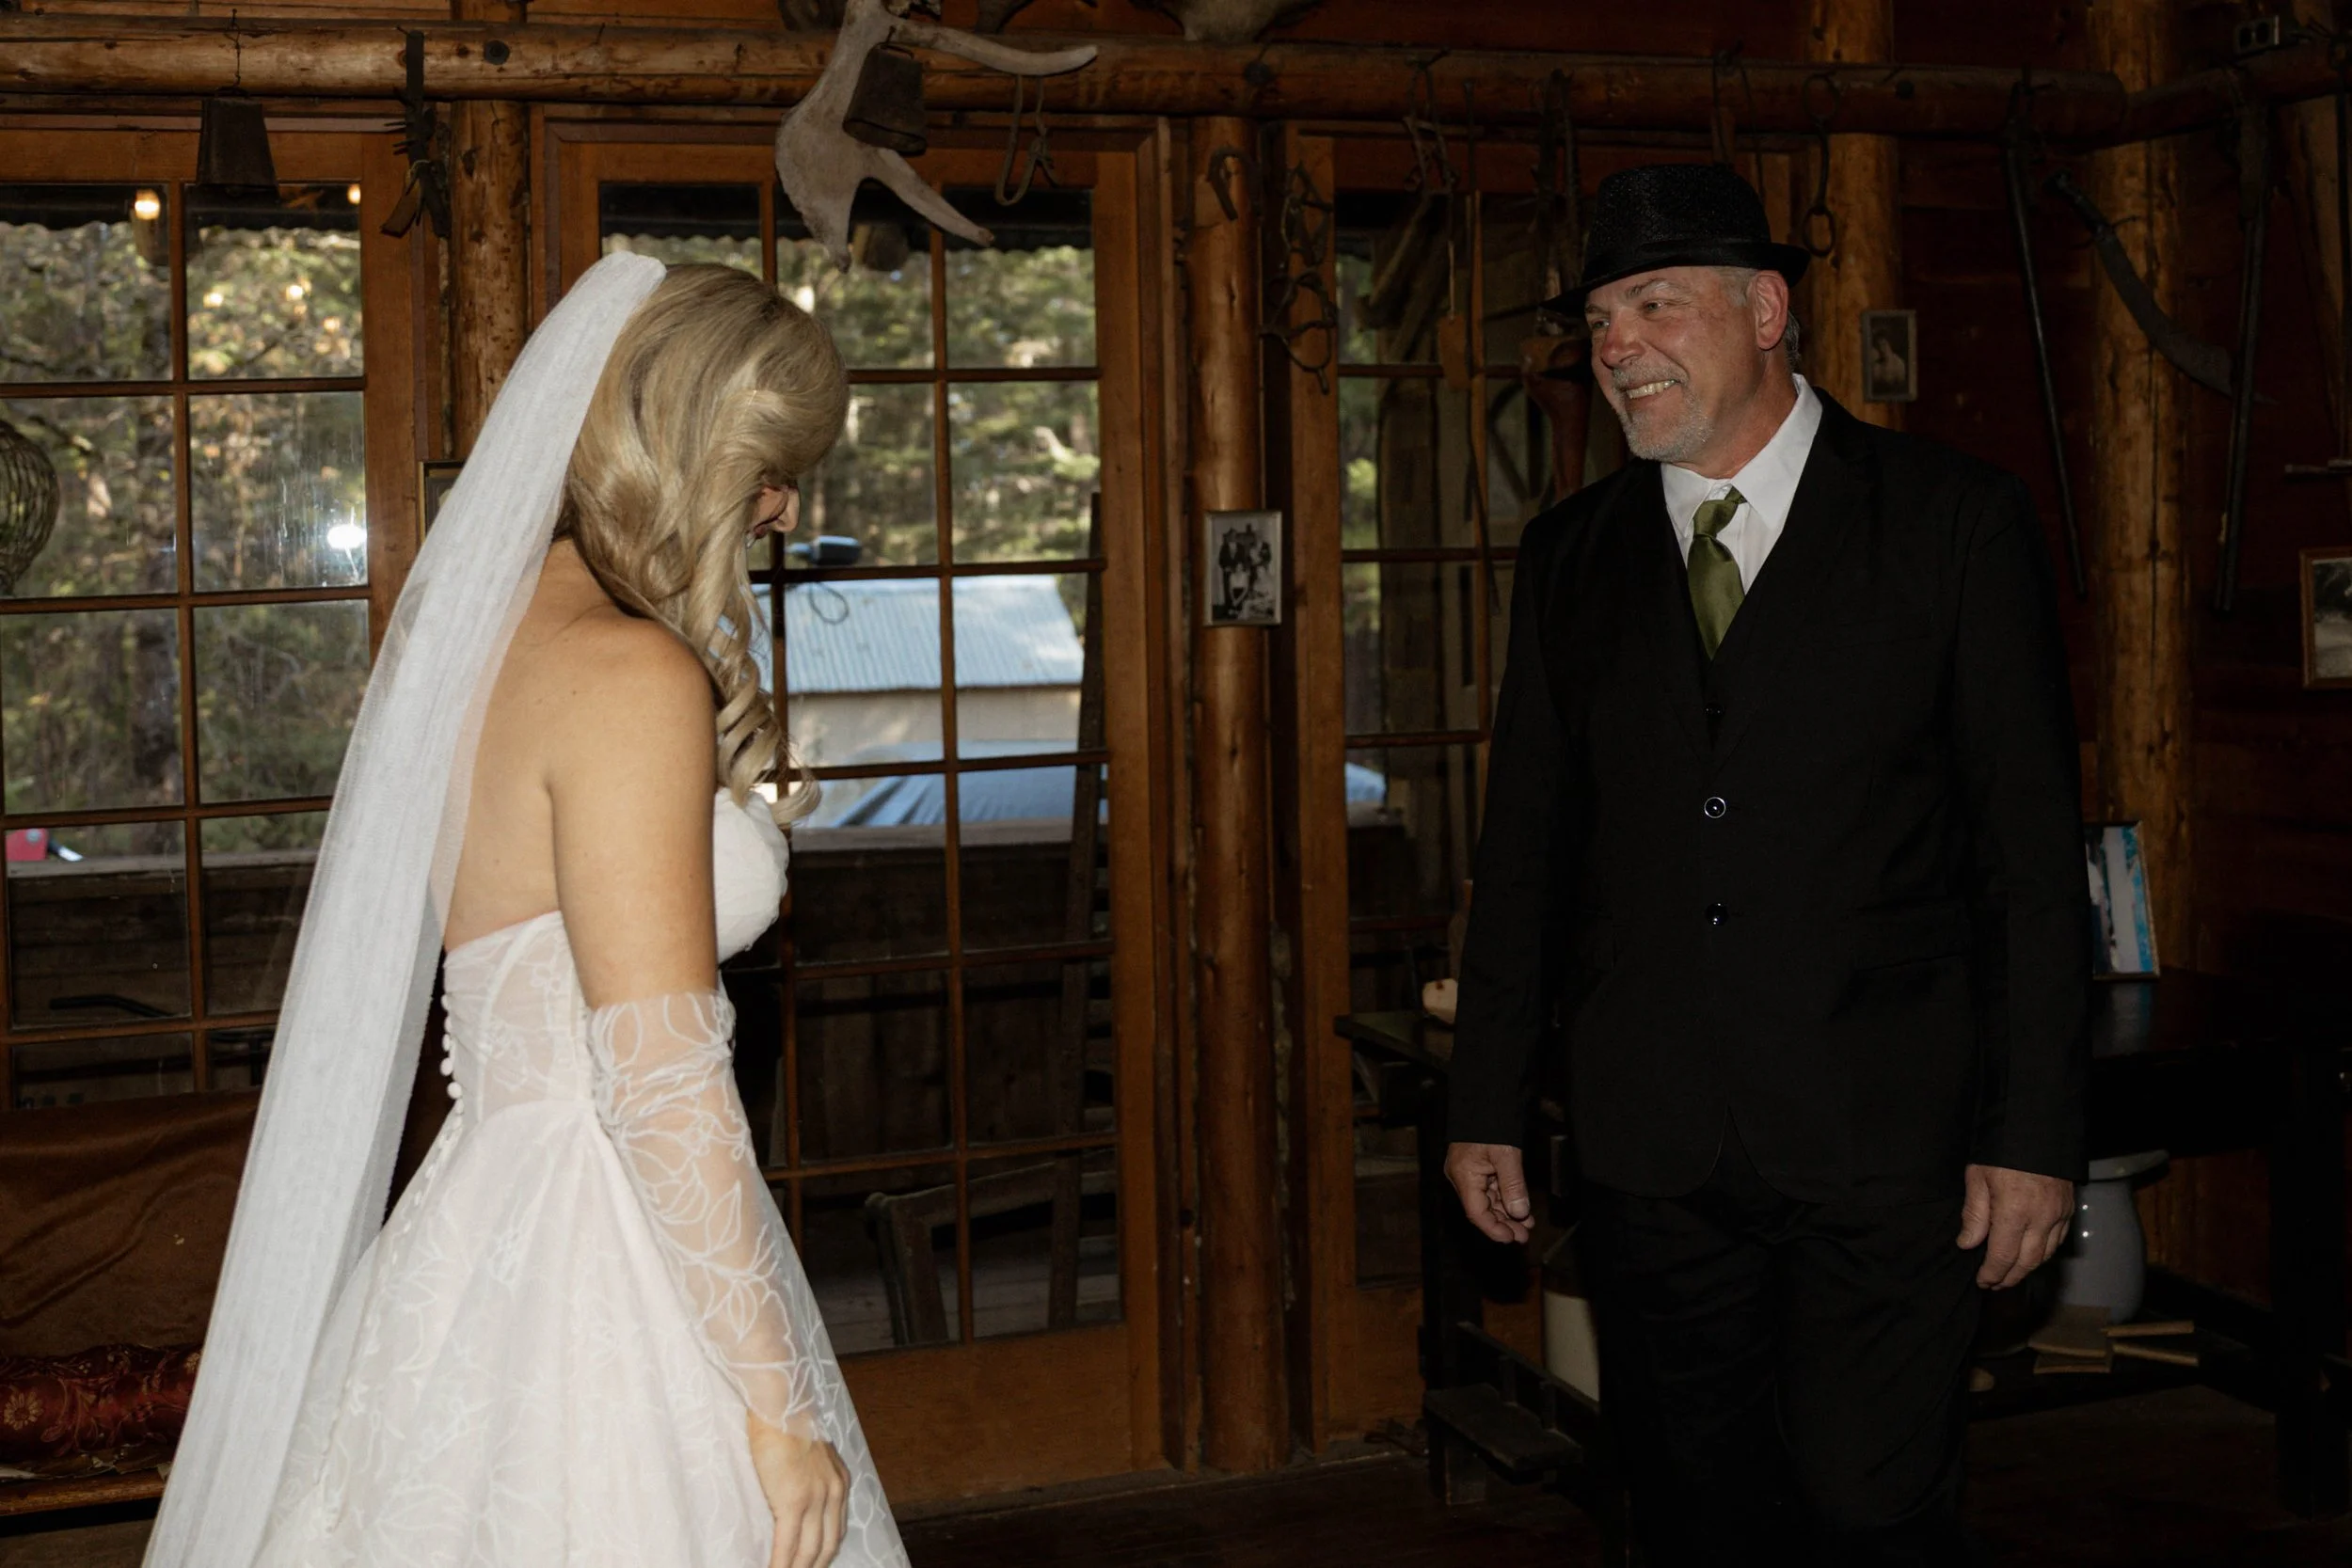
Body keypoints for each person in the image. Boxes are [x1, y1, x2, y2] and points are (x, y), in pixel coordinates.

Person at [146, 258, 907, 1568]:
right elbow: (658, 1076)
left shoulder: (476, 640)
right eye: (774, 470)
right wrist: (780, 1407)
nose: (785, 509)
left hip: (472, 1217)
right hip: (598, 1240)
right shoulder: (627, 673)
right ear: (694, 449)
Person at [1443, 163, 2089, 1566]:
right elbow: (1529, 841)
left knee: (1871, 1505)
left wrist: (2035, 1131)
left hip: (1886, 1144)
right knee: (1689, 1514)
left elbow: (2030, 861)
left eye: (1654, 303)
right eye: (1601, 318)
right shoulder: (1572, 556)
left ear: (1768, 308)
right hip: (1651, 1154)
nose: (1616, 346)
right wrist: (1486, 1097)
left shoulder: (1952, 523)